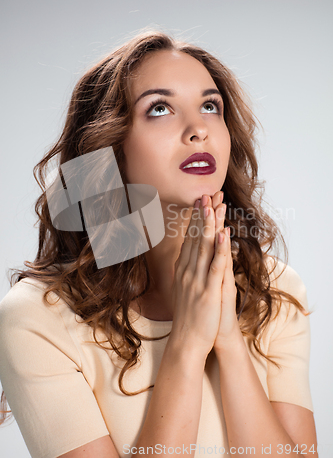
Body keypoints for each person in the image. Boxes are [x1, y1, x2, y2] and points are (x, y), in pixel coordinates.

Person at [0, 30, 318, 458]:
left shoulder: (274, 291)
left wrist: (227, 340)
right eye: (160, 108)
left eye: (210, 106)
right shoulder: (36, 318)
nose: (198, 130)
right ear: (109, 147)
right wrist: (187, 343)